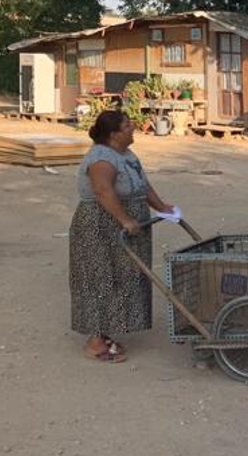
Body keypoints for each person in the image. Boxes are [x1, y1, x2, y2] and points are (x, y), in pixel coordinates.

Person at [70, 109, 178, 362]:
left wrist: (161, 207)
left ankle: (106, 333)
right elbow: (102, 190)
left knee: (124, 277)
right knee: (101, 278)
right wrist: (125, 219)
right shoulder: (101, 159)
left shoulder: (126, 154)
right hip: (101, 226)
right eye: (128, 125)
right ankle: (96, 343)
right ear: (114, 134)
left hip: (124, 226)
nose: (133, 128)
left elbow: (142, 184)